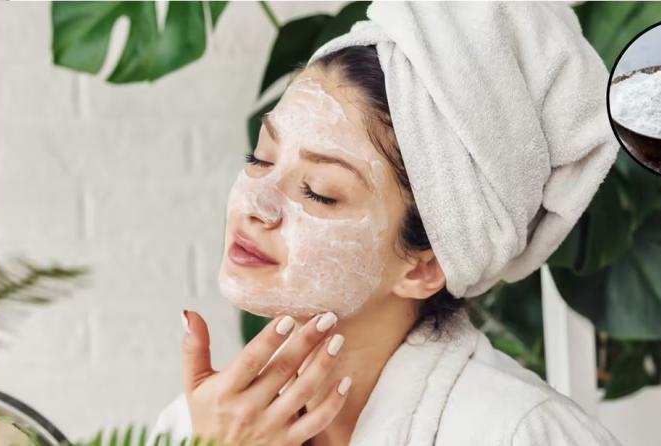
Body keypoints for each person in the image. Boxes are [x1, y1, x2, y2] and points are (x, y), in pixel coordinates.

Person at [148, 3, 621, 445]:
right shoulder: (201, 424)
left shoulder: (522, 434)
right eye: (261, 158)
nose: (257, 203)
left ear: (425, 266)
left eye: (319, 191)